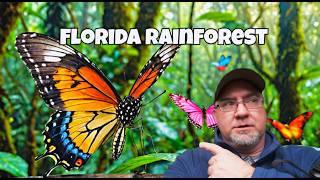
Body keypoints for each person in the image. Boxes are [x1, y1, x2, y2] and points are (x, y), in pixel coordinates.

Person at [164, 68, 320, 178]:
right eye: (228, 104)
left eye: (252, 101)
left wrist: (249, 175)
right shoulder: (190, 163)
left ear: (264, 110)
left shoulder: (306, 157)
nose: (242, 112)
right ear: (216, 115)